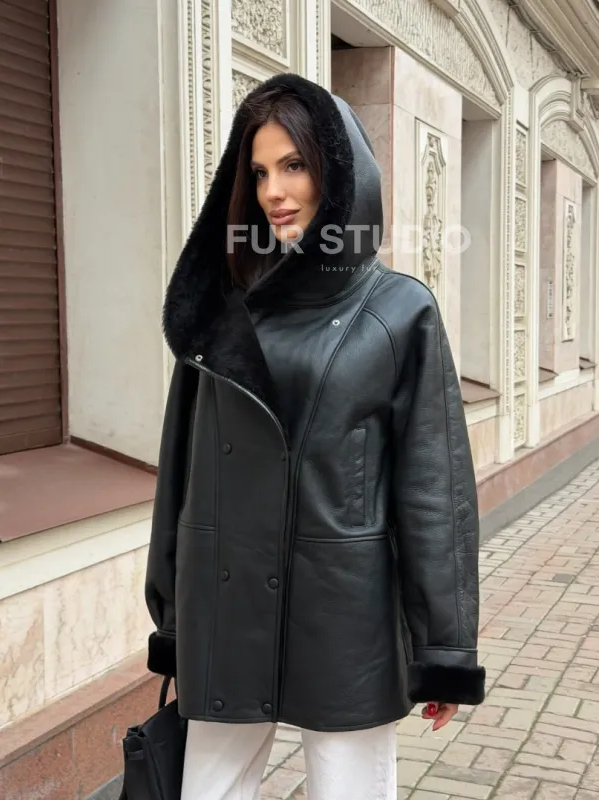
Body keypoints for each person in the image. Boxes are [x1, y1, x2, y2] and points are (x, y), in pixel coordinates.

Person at [144, 72, 485, 800]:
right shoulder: (220, 311)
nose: (274, 191)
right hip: (226, 605)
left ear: (339, 170)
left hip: (345, 614)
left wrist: (444, 647)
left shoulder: (399, 312)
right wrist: (172, 618)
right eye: (259, 171)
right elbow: (181, 474)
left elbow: (434, 492)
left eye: (294, 165)